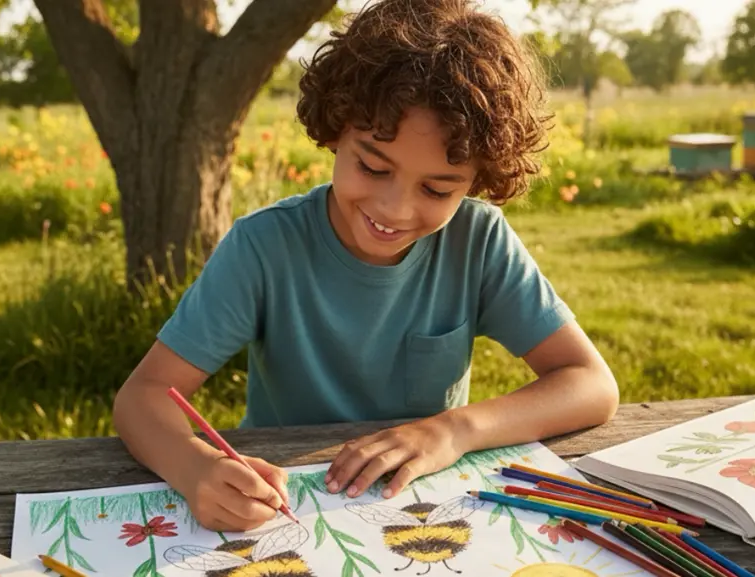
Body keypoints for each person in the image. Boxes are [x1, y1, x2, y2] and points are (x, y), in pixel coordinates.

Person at [112, 0, 619, 533]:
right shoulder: (264, 247)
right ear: (336, 130)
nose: (394, 209)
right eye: (373, 166)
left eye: (437, 188)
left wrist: (454, 431)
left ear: (477, 180)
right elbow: (143, 398)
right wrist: (196, 468)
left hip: (424, 509)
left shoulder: (479, 241)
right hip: (288, 506)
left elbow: (590, 384)